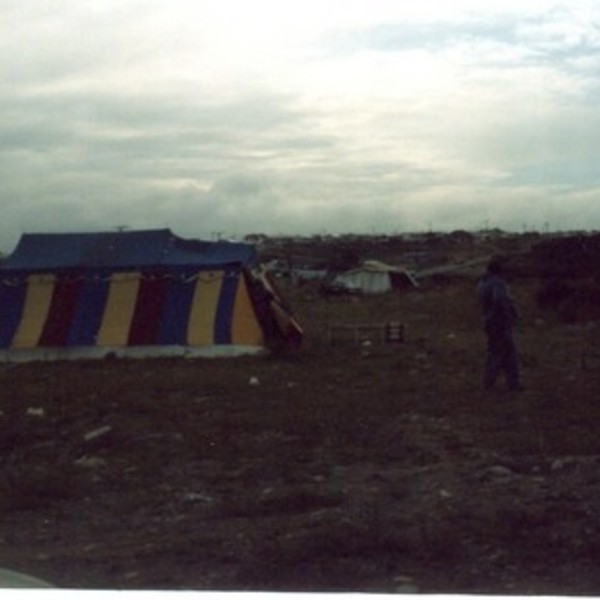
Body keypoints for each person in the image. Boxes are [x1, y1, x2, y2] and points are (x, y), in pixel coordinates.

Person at [477, 259, 521, 391]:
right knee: (501, 353)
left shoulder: (482, 284)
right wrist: (509, 314)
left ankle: (511, 383)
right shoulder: (498, 283)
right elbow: (500, 299)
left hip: (489, 322)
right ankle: (491, 382)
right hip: (499, 323)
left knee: (504, 352)